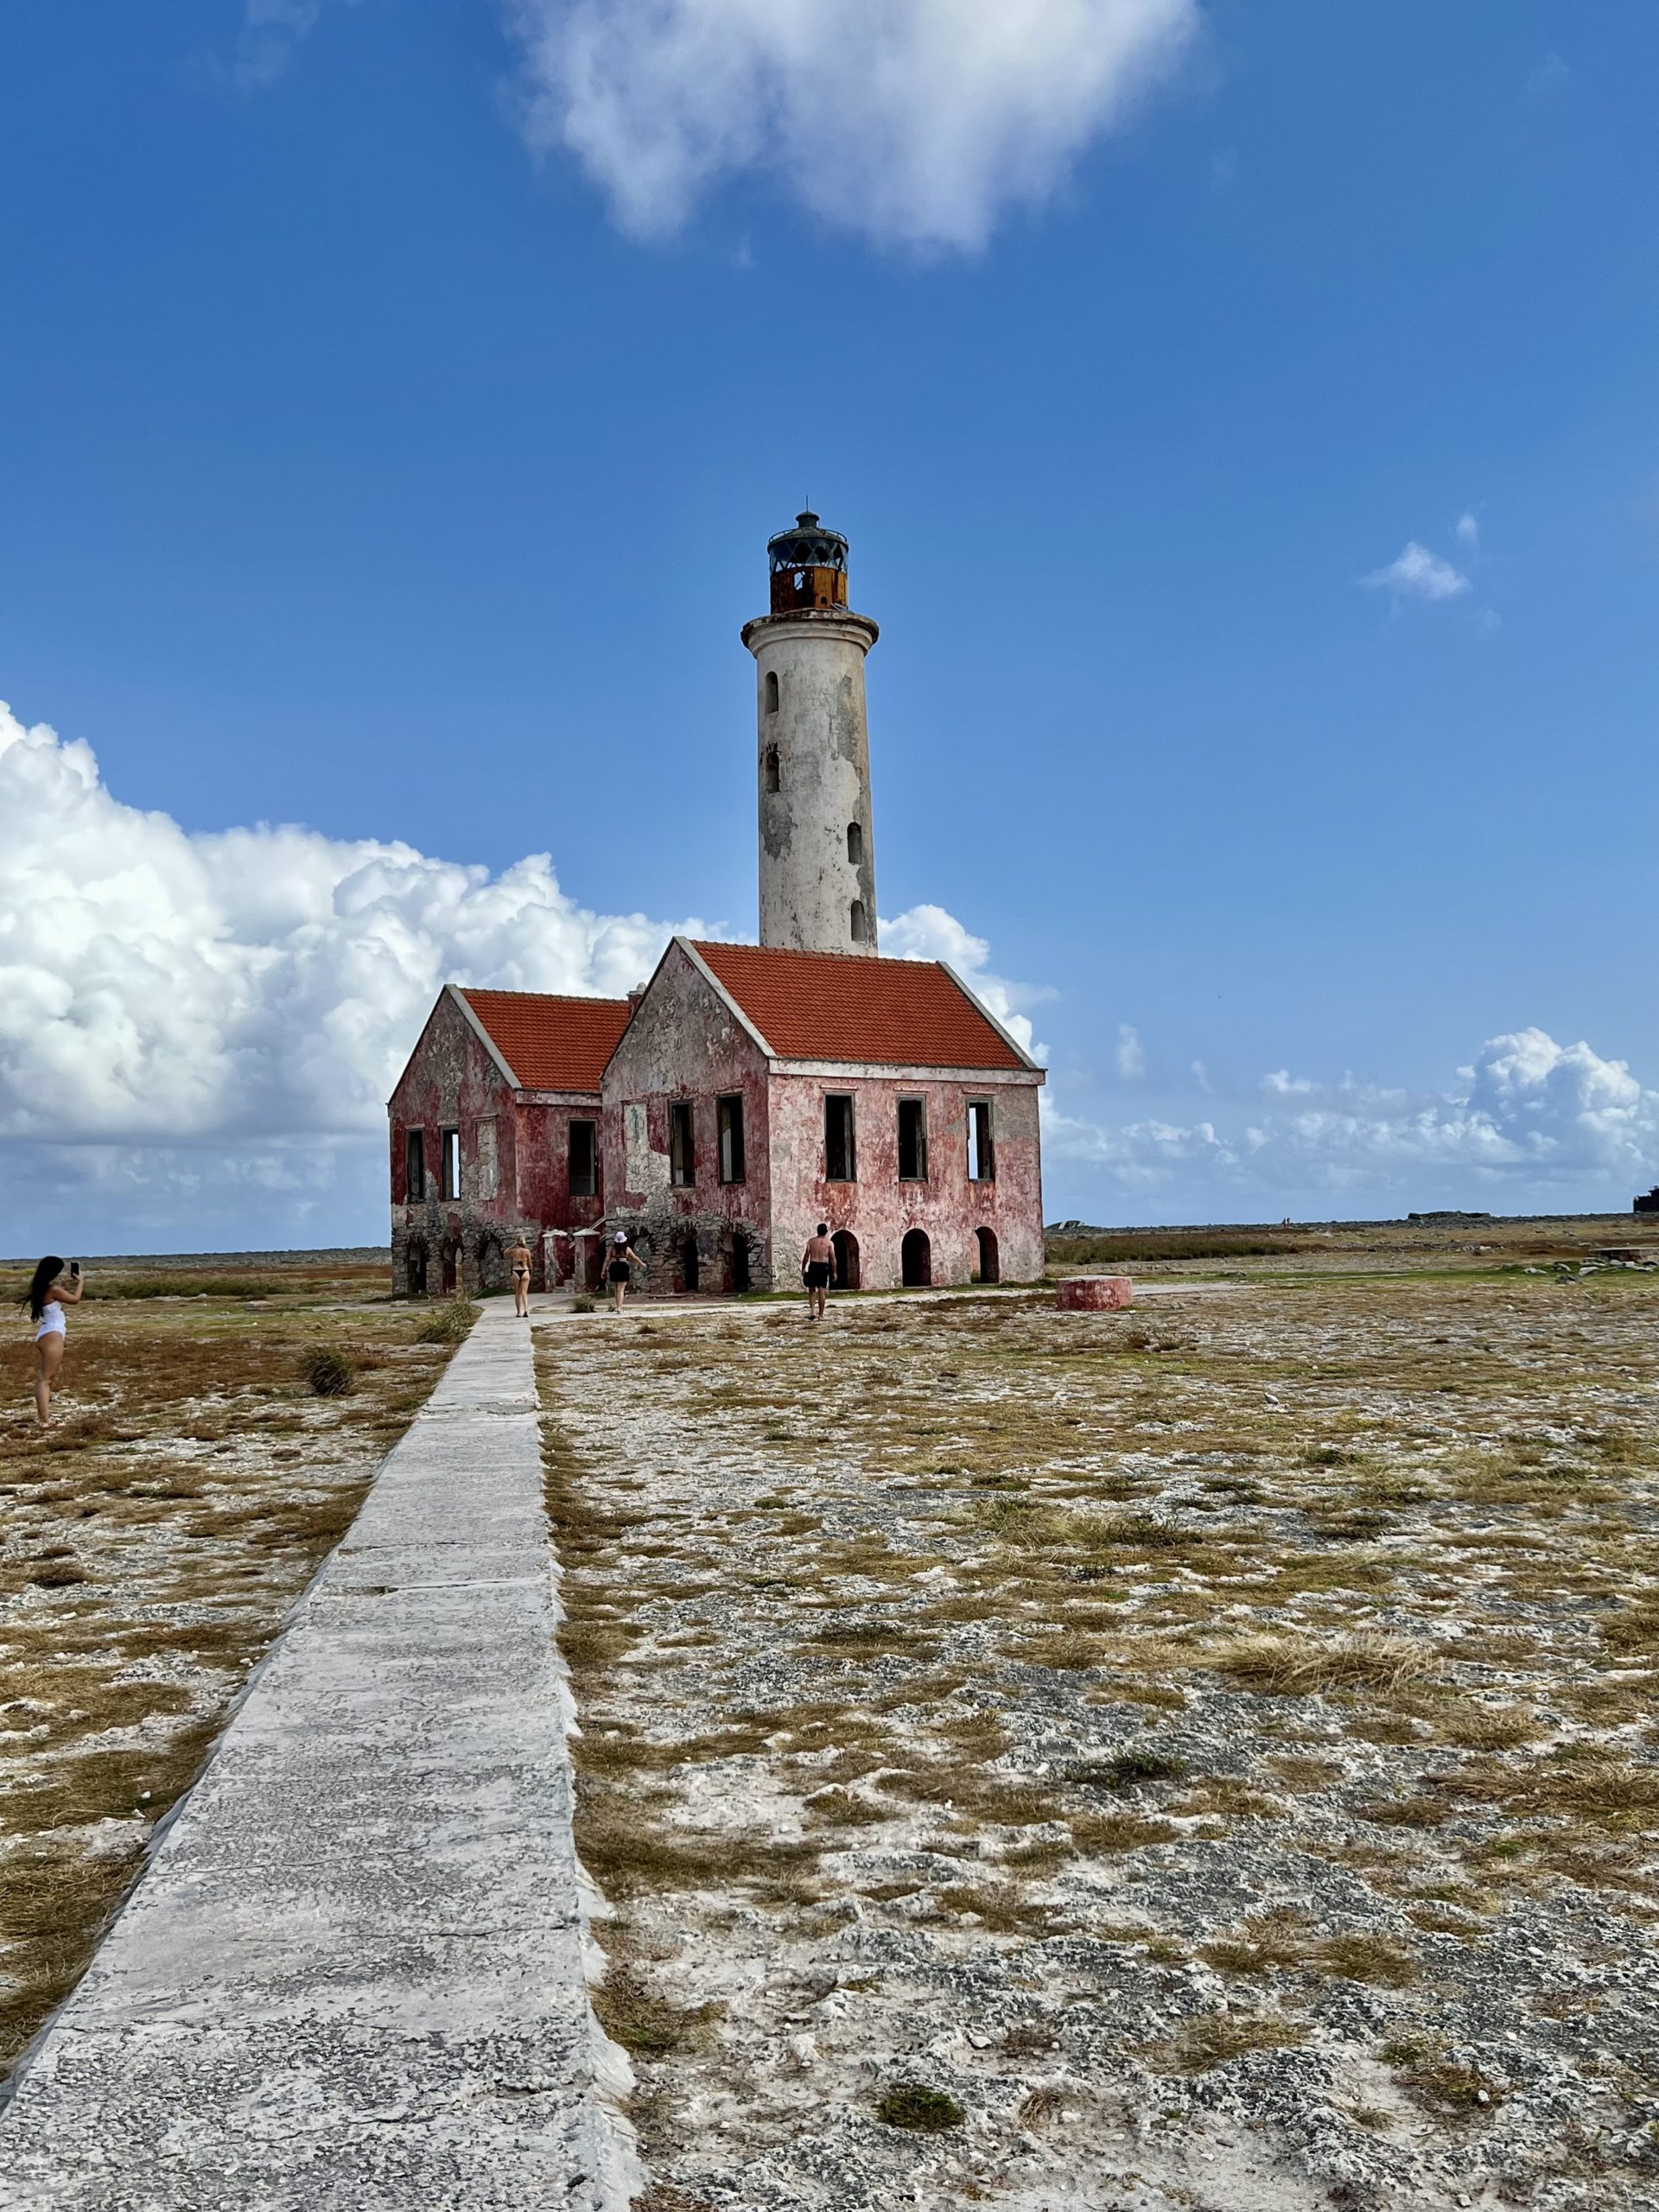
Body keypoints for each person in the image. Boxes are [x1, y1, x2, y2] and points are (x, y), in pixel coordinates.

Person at [22, 1256, 84, 1429]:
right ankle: (44, 1420)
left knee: (46, 1379)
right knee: (45, 1380)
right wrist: (80, 1282)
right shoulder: (53, 1290)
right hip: (52, 1334)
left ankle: (45, 1416)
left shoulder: (42, 1288)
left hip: (48, 1332)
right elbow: (74, 1300)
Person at [802, 1222, 835, 1322]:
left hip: (813, 1265)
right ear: (826, 1232)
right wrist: (834, 1272)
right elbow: (832, 1258)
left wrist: (803, 1268)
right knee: (822, 1290)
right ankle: (820, 1315)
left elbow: (806, 1255)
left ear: (817, 1231)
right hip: (823, 1266)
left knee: (812, 1290)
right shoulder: (829, 1243)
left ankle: (812, 1312)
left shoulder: (811, 1242)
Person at [606, 1230, 645, 1314]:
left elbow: (607, 1260)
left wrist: (603, 1270)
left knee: (616, 1289)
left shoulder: (612, 1249)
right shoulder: (627, 1249)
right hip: (623, 1267)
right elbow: (635, 1258)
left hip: (614, 1266)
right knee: (621, 1289)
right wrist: (641, 1264)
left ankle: (617, 1307)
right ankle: (619, 1308)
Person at [507, 1235, 532, 1319]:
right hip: (525, 1270)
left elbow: (505, 1252)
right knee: (524, 1293)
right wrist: (530, 1271)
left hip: (516, 1271)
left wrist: (513, 1245)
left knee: (517, 1293)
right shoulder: (527, 1251)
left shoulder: (514, 1251)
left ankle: (518, 1312)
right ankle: (526, 1310)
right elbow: (530, 1264)